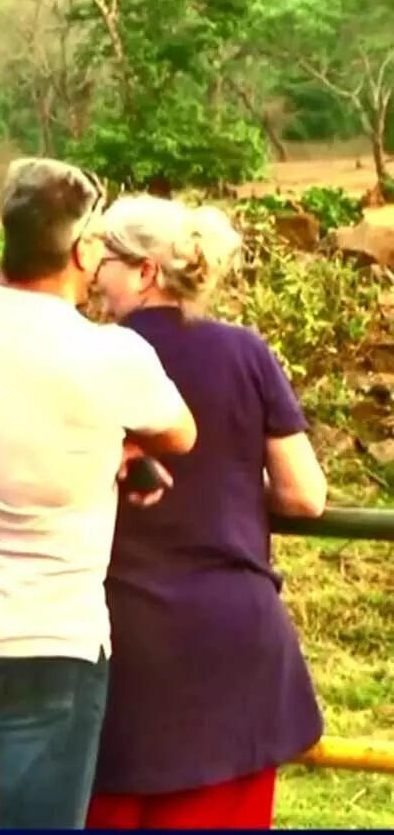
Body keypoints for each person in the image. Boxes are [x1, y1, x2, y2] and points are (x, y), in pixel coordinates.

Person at [0, 158, 199, 829]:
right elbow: (180, 432)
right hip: (47, 641)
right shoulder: (112, 356)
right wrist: (124, 444)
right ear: (82, 250)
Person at [85, 196, 327, 829]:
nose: (93, 274)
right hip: (234, 645)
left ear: (144, 271)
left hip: (120, 651)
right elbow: (306, 494)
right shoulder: (245, 350)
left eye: (104, 259)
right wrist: (232, 488)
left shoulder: (88, 356)